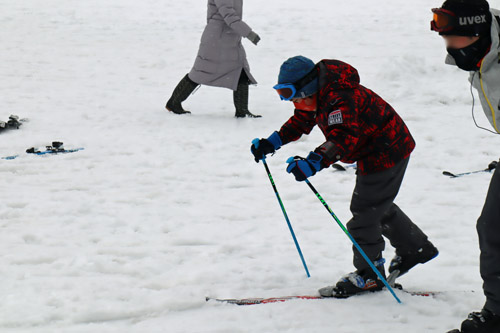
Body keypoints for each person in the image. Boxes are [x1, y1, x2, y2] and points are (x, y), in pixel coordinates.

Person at [250, 56, 438, 298]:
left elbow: (343, 138)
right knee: (375, 206)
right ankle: (415, 247)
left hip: (386, 149)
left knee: (365, 212)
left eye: (294, 96)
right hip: (377, 148)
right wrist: (271, 142)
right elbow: (301, 120)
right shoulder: (318, 96)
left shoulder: (339, 98)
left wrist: (313, 162)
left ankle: (370, 275)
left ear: (308, 88)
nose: (293, 103)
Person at [431, 0, 500, 332]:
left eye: (452, 37)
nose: (447, 46)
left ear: (474, 31)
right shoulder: (474, 50)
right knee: (493, 228)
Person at [165, 0, 261, 118]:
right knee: (201, 72)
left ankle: (242, 111)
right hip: (218, 39)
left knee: (240, 70)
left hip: (228, 37)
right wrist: (249, 33)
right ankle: (173, 103)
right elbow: (229, 15)